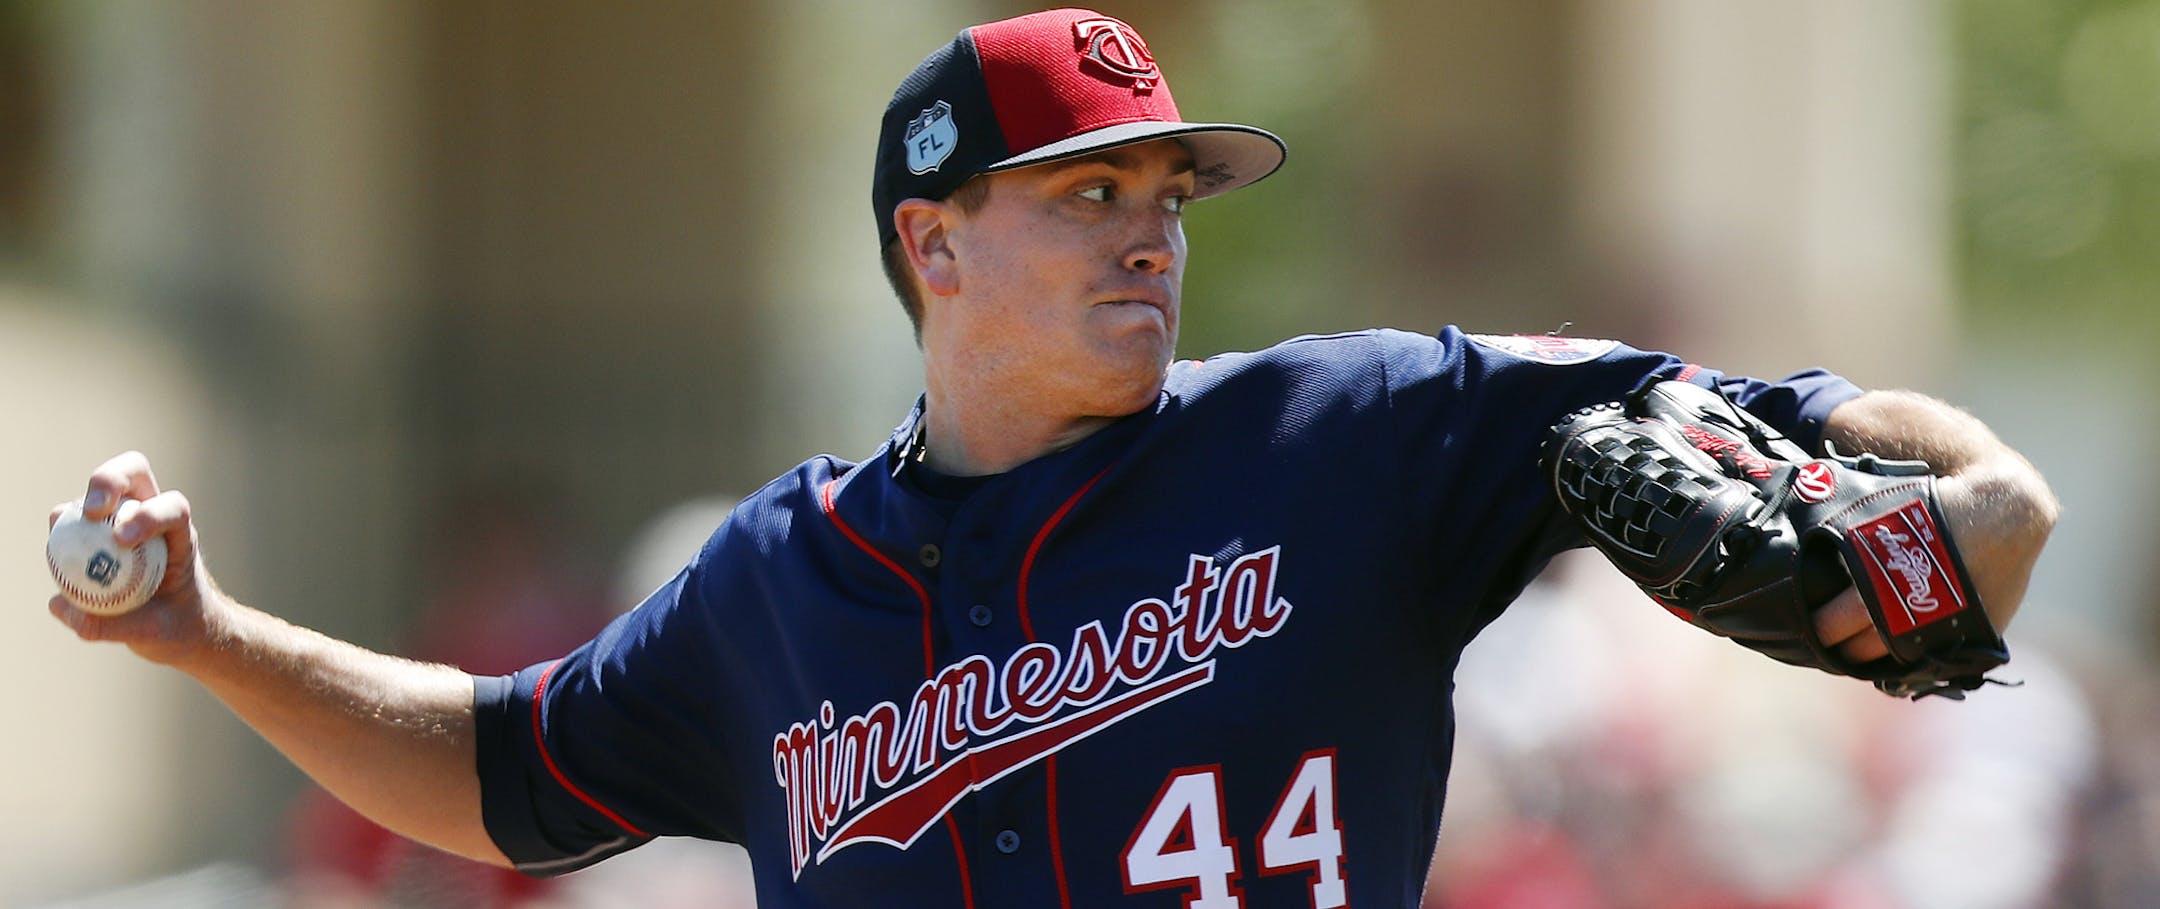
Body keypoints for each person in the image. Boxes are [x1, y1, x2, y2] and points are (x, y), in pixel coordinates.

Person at [48, 9, 2056, 908]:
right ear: (932, 242)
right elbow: (501, 769)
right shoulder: (773, 584)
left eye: (1167, 190)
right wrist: (210, 630)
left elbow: (1960, 490)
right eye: (1086, 192)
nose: (1151, 228)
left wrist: (1937, 518)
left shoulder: (1364, 427)